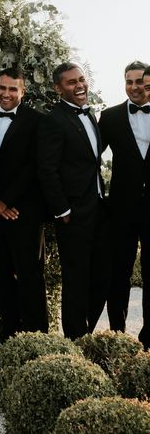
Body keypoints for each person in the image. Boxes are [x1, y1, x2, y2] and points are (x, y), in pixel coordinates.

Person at [39, 62, 110, 339]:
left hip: (98, 208)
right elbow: (46, 169)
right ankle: (75, 339)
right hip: (73, 213)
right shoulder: (53, 120)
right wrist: (62, 210)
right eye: (71, 82)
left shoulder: (90, 115)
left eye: (81, 80)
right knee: (76, 280)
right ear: (58, 88)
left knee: (103, 275)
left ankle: (87, 331)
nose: (79, 85)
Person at [0, 67, 48, 339]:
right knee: (1, 276)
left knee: (31, 277)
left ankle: (37, 337)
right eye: (2, 88)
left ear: (23, 92)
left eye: (12, 89)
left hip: (25, 213)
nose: (6, 93)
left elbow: (35, 166)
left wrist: (5, 200)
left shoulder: (38, 121)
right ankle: (10, 336)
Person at [99, 61, 150, 345]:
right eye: (129, 81)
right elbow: (88, 157)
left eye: (140, 81)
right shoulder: (110, 117)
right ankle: (117, 334)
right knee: (118, 274)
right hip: (120, 209)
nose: (134, 87)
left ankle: (148, 338)